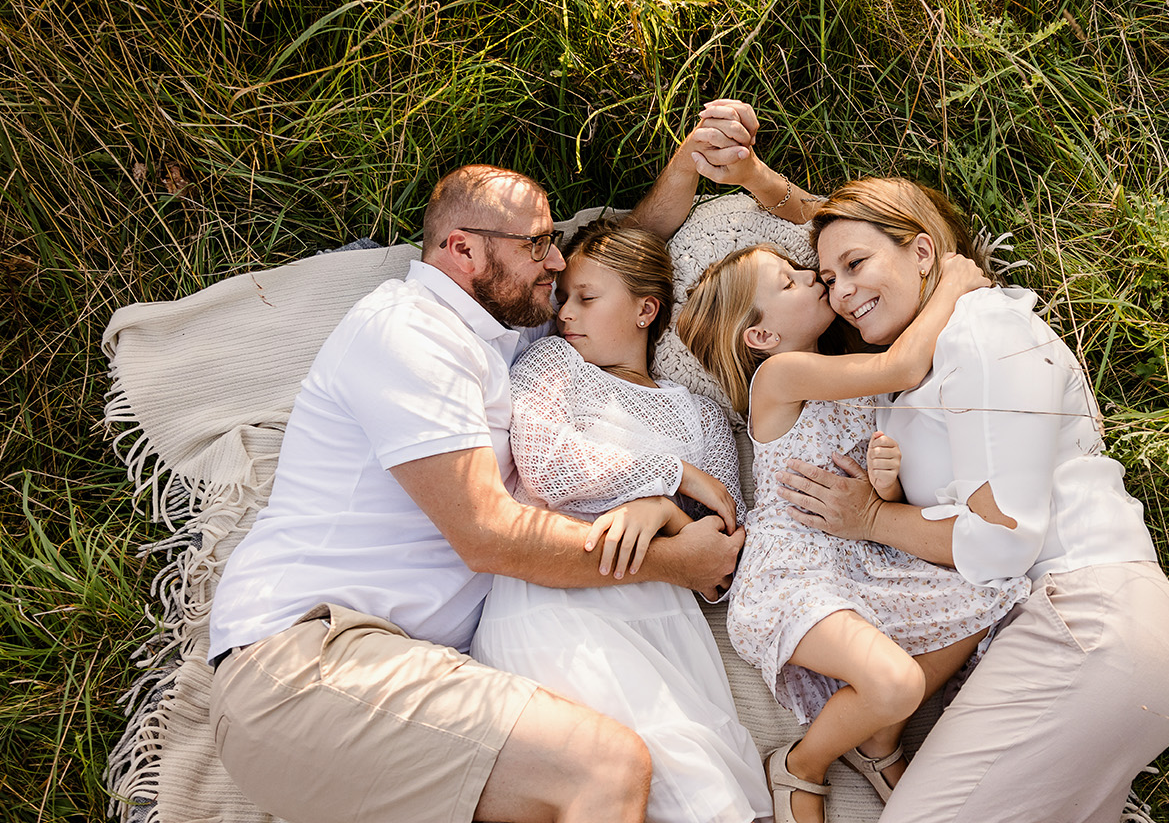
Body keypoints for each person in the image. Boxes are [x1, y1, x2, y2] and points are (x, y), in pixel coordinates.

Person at [205, 102, 765, 823]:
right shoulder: (409, 334)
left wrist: (688, 165)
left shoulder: (511, 335)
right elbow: (487, 534)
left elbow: (621, 269)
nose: (556, 263)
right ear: (464, 251)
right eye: (538, 245)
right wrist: (670, 556)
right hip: (306, 664)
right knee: (608, 769)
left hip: (403, 673)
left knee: (629, 781)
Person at [776, 176, 1169, 823]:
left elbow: (1002, 541)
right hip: (1063, 641)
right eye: (828, 279)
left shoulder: (985, 332)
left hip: (1084, 623)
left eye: (856, 264)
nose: (842, 291)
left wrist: (871, 518)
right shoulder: (925, 362)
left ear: (923, 254)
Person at [676, 241, 1028, 823]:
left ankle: (877, 741)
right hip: (794, 573)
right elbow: (903, 366)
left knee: (987, 593)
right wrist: (951, 284)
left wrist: (884, 487)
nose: (811, 276)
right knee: (896, 683)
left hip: (863, 559)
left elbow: (873, 490)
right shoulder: (779, 377)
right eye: (788, 283)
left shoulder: (851, 376)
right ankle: (801, 764)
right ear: (759, 337)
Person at [471, 219, 771, 823]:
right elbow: (550, 469)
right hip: (555, 601)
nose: (565, 315)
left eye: (586, 298)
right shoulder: (551, 365)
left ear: (644, 310)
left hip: (663, 621)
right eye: (563, 300)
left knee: (704, 785)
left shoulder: (700, 412)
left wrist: (656, 508)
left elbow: (722, 545)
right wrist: (672, 478)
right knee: (645, 780)